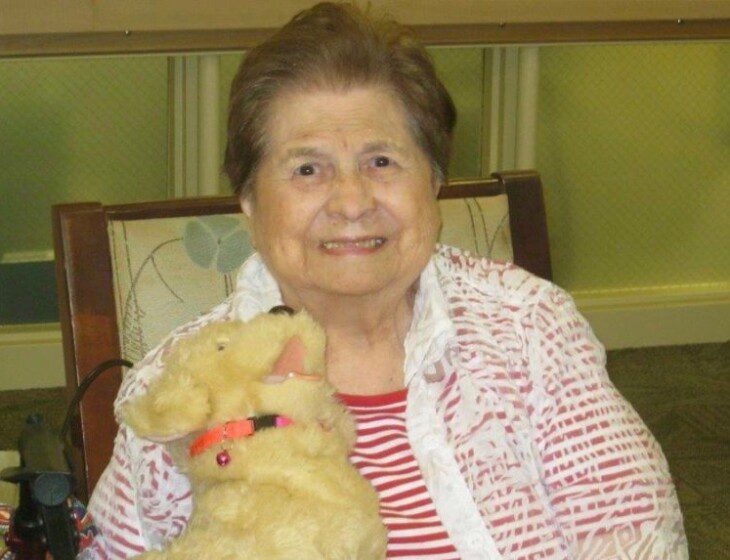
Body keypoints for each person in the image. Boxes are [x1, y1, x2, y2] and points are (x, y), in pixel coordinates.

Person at [83, 3, 688, 559]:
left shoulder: (529, 328)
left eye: (381, 161)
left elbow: (639, 538)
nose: (351, 201)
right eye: (307, 168)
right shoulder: (185, 386)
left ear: (434, 182)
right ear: (247, 200)